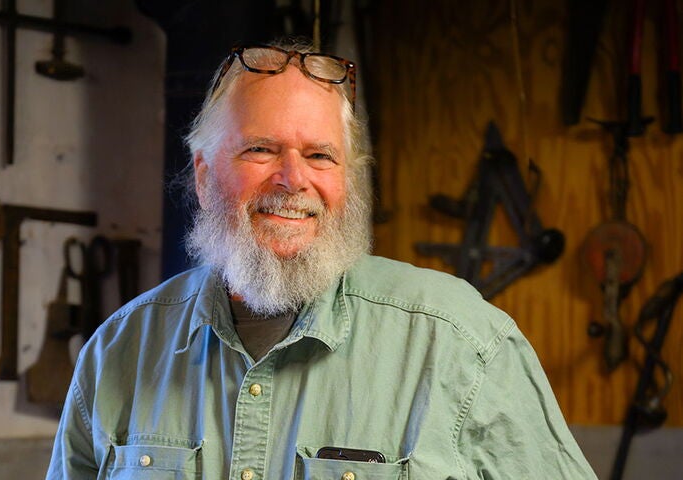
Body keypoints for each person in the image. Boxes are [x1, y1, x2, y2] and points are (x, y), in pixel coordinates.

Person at [47, 40, 597, 479]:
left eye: (319, 155)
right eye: (260, 149)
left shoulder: (463, 344)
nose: (293, 179)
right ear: (204, 174)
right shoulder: (119, 349)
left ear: (346, 180)